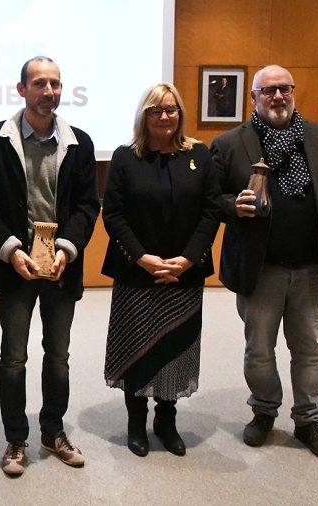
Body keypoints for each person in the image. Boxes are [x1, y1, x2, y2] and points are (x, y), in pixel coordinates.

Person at [210, 65, 318, 461]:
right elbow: (210, 201)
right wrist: (231, 207)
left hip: (310, 269)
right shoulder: (229, 143)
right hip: (261, 270)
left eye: (284, 89)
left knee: (309, 350)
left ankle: (308, 420)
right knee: (259, 350)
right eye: (268, 90)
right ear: (253, 97)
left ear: (293, 92)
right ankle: (264, 411)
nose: (277, 96)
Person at [0, 56, 100, 476]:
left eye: (56, 84)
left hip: (61, 267)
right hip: (16, 267)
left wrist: (67, 248)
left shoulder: (78, 141)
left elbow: (86, 206)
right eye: (40, 83)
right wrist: (10, 249)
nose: (49, 91)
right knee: (14, 358)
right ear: (21, 89)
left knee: (58, 355)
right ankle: (15, 439)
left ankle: (52, 430)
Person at [101, 83, 221, 457]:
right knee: (136, 347)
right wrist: (142, 258)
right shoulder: (124, 157)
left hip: (184, 273)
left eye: (171, 110)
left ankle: (166, 422)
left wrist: (186, 260)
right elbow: (114, 214)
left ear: (180, 114)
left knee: (175, 347)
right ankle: (136, 421)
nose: (165, 116)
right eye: (156, 110)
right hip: (137, 272)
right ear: (144, 116)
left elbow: (211, 210)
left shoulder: (199, 156)